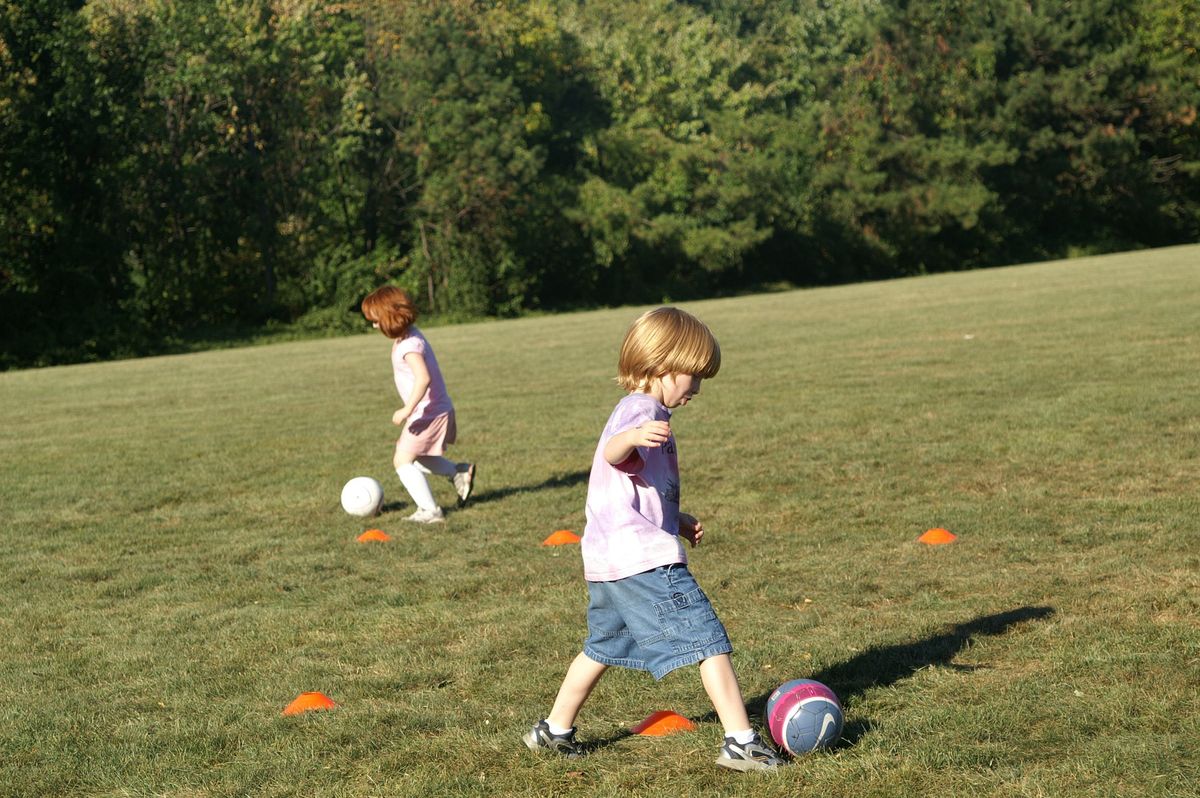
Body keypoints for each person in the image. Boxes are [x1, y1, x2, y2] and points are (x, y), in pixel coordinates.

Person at [522, 307, 784, 772]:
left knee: (601, 645)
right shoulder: (642, 410)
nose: (698, 389)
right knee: (708, 639)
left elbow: (630, 483)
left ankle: (553, 730)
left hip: (610, 560)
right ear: (663, 364)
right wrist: (633, 436)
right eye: (694, 376)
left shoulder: (642, 408)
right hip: (642, 560)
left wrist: (675, 518)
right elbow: (612, 453)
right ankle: (740, 742)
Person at [360, 286, 474, 523]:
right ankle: (458, 472)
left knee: (402, 461)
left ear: (390, 318)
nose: (374, 326)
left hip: (428, 412)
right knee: (418, 458)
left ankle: (430, 511)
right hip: (434, 410)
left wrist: (406, 410)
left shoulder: (409, 346)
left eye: (376, 320)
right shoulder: (410, 335)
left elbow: (423, 378)